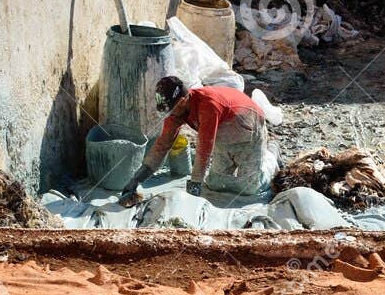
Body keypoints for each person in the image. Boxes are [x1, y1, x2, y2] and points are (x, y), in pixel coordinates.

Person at [118, 77, 275, 205]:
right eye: (169, 110)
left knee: (248, 188)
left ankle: (272, 156)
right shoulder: (176, 112)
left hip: (248, 132)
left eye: (174, 108)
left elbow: (205, 147)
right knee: (216, 185)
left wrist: (195, 183)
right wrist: (137, 179)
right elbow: (162, 145)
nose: (172, 114)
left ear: (184, 99)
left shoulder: (208, 105)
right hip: (222, 137)